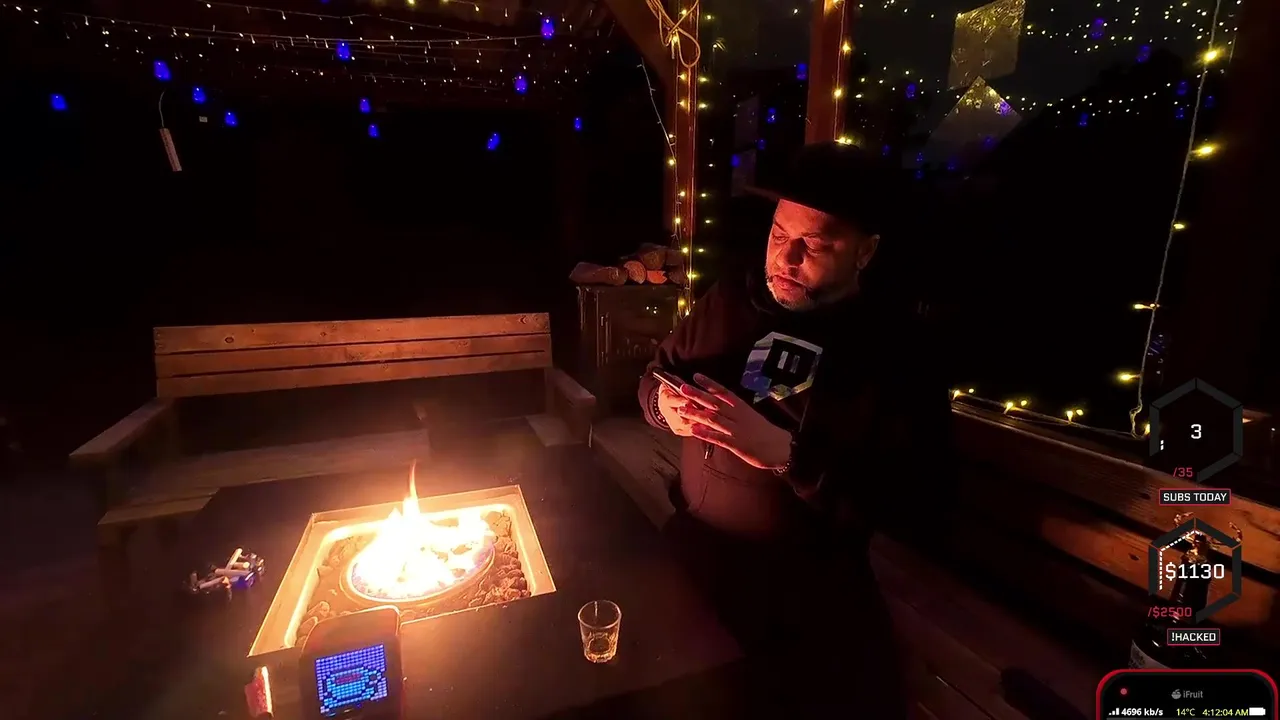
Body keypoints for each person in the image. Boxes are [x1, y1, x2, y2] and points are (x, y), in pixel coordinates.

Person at [638, 142, 952, 718]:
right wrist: (664, 405)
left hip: (805, 584)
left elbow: (912, 499)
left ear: (866, 252)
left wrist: (786, 456)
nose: (787, 257)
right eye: (780, 234)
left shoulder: (897, 350)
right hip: (696, 548)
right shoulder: (731, 298)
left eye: (817, 244)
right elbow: (659, 373)